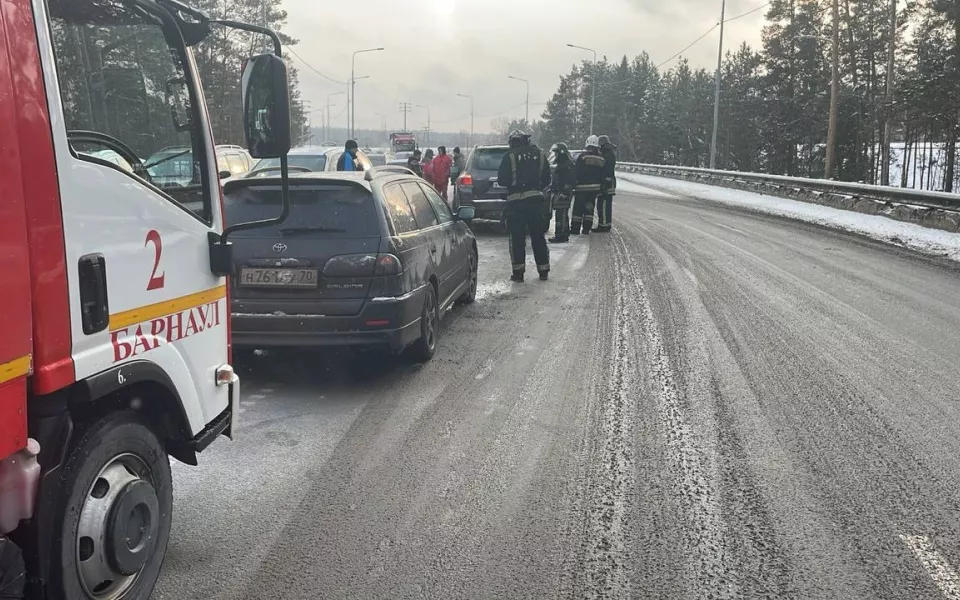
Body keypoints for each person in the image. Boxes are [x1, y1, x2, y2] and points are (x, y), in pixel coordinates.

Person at [497, 129, 551, 282]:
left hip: (516, 204)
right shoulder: (539, 154)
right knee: (538, 236)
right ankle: (543, 270)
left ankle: (518, 273)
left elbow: (502, 180)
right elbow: (547, 179)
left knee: (517, 238)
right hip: (536, 201)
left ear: (512, 142)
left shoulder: (509, 156)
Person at [572, 136, 605, 235]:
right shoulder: (601, 159)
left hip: (582, 187)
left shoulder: (582, 157)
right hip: (595, 188)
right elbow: (603, 174)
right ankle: (586, 229)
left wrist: (574, 183)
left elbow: (577, 171)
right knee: (589, 209)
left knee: (578, 209)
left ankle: (575, 229)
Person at [548, 143, 576, 243]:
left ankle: (562, 235)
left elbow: (570, 180)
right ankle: (561, 233)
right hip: (559, 192)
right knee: (560, 214)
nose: (555, 155)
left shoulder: (566, 165)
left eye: (556, 153)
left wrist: (565, 192)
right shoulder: (562, 164)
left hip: (563, 193)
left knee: (562, 214)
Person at [594, 135, 618, 233]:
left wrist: (604, 182)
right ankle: (606, 223)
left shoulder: (606, 154)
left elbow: (605, 169)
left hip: (606, 183)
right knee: (606, 204)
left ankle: (603, 225)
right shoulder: (610, 153)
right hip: (610, 182)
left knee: (603, 204)